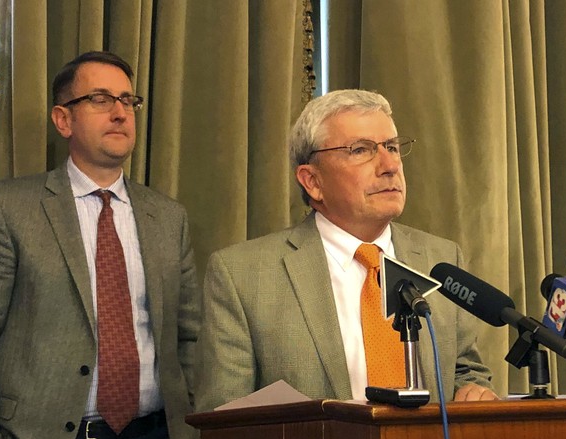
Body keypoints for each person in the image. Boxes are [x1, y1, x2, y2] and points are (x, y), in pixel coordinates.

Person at [0, 50, 200, 439]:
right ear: (63, 119)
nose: (120, 112)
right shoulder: (11, 207)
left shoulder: (168, 218)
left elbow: (191, 340)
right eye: (101, 99)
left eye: (128, 100)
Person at [195, 88, 497, 413]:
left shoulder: (441, 260)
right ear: (312, 181)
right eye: (361, 150)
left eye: (393, 147)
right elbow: (222, 426)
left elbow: (467, 371)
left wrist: (474, 391)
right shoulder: (242, 275)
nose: (390, 165)